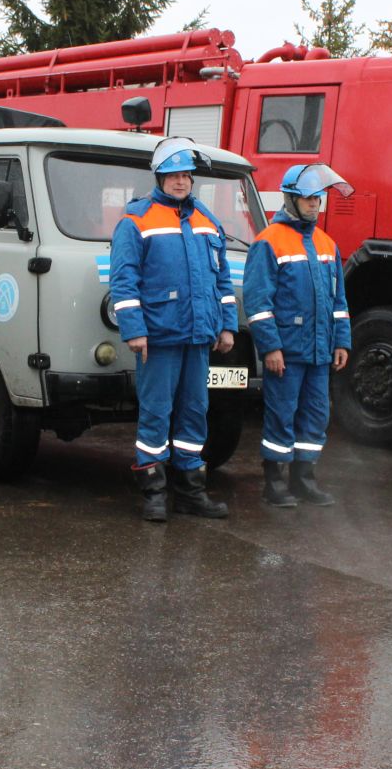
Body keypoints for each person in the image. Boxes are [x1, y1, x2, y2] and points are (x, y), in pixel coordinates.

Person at [109, 137, 238, 521]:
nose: (181, 181)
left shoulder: (206, 221)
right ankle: (153, 494)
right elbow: (123, 281)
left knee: (195, 414)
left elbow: (223, 282)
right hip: (159, 338)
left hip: (199, 338)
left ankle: (191, 493)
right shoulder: (136, 221)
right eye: (173, 175)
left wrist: (227, 326)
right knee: (156, 414)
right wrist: (134, 330)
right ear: (159, 176)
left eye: (186, 175)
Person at [244, 164, 353, 507]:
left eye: (318, 199)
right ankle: (274, 482)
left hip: (320, 351)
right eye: (307, 198)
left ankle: (304, 479)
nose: (314, 205)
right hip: (287, 352)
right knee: (282, 413)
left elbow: (338, 301)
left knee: (316, 415)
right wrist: (270, 346)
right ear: (290, 198)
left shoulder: (326, 244)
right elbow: (258, 303)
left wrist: (342, 341)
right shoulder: (268, 243)